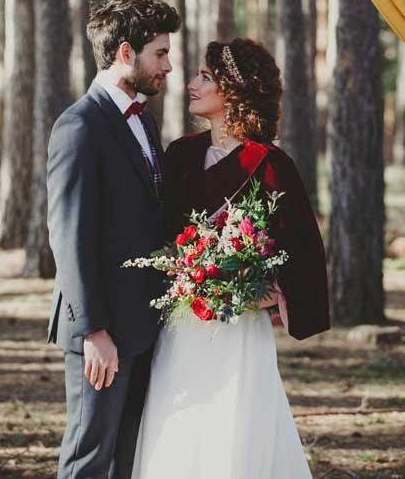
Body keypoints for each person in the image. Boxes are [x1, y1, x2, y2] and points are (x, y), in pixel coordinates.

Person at [130, 37, 330, 479]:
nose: (192, 84)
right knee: (177, 423)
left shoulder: (271, 164)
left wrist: (263, 291)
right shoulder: (181, 154)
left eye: (205, 77)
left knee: (233, 429)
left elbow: (304, 254)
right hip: (181, 325)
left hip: (238, 330)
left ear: (233, 90)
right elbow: (157, 232)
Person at [46, 0, 181, 479]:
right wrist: (93, 332)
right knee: (88, 459)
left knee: (128, 458)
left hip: (143, 328)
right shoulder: (79, 126)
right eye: (160, 53)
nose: (168, 65)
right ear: (126, 53)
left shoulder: (142, 118)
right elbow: (69, 236)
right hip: (101, 334)